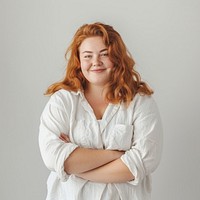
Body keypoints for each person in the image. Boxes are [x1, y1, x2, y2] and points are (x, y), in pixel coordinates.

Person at [39, 22, 163, 200]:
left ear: (117, 58)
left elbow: (144, 161)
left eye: (104, 54)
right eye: (87, 56)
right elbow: (53, 157)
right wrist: (115, 155)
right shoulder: (62, 101)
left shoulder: (140, 102)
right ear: (79, 61)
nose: (95, 62)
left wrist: (78, 169)